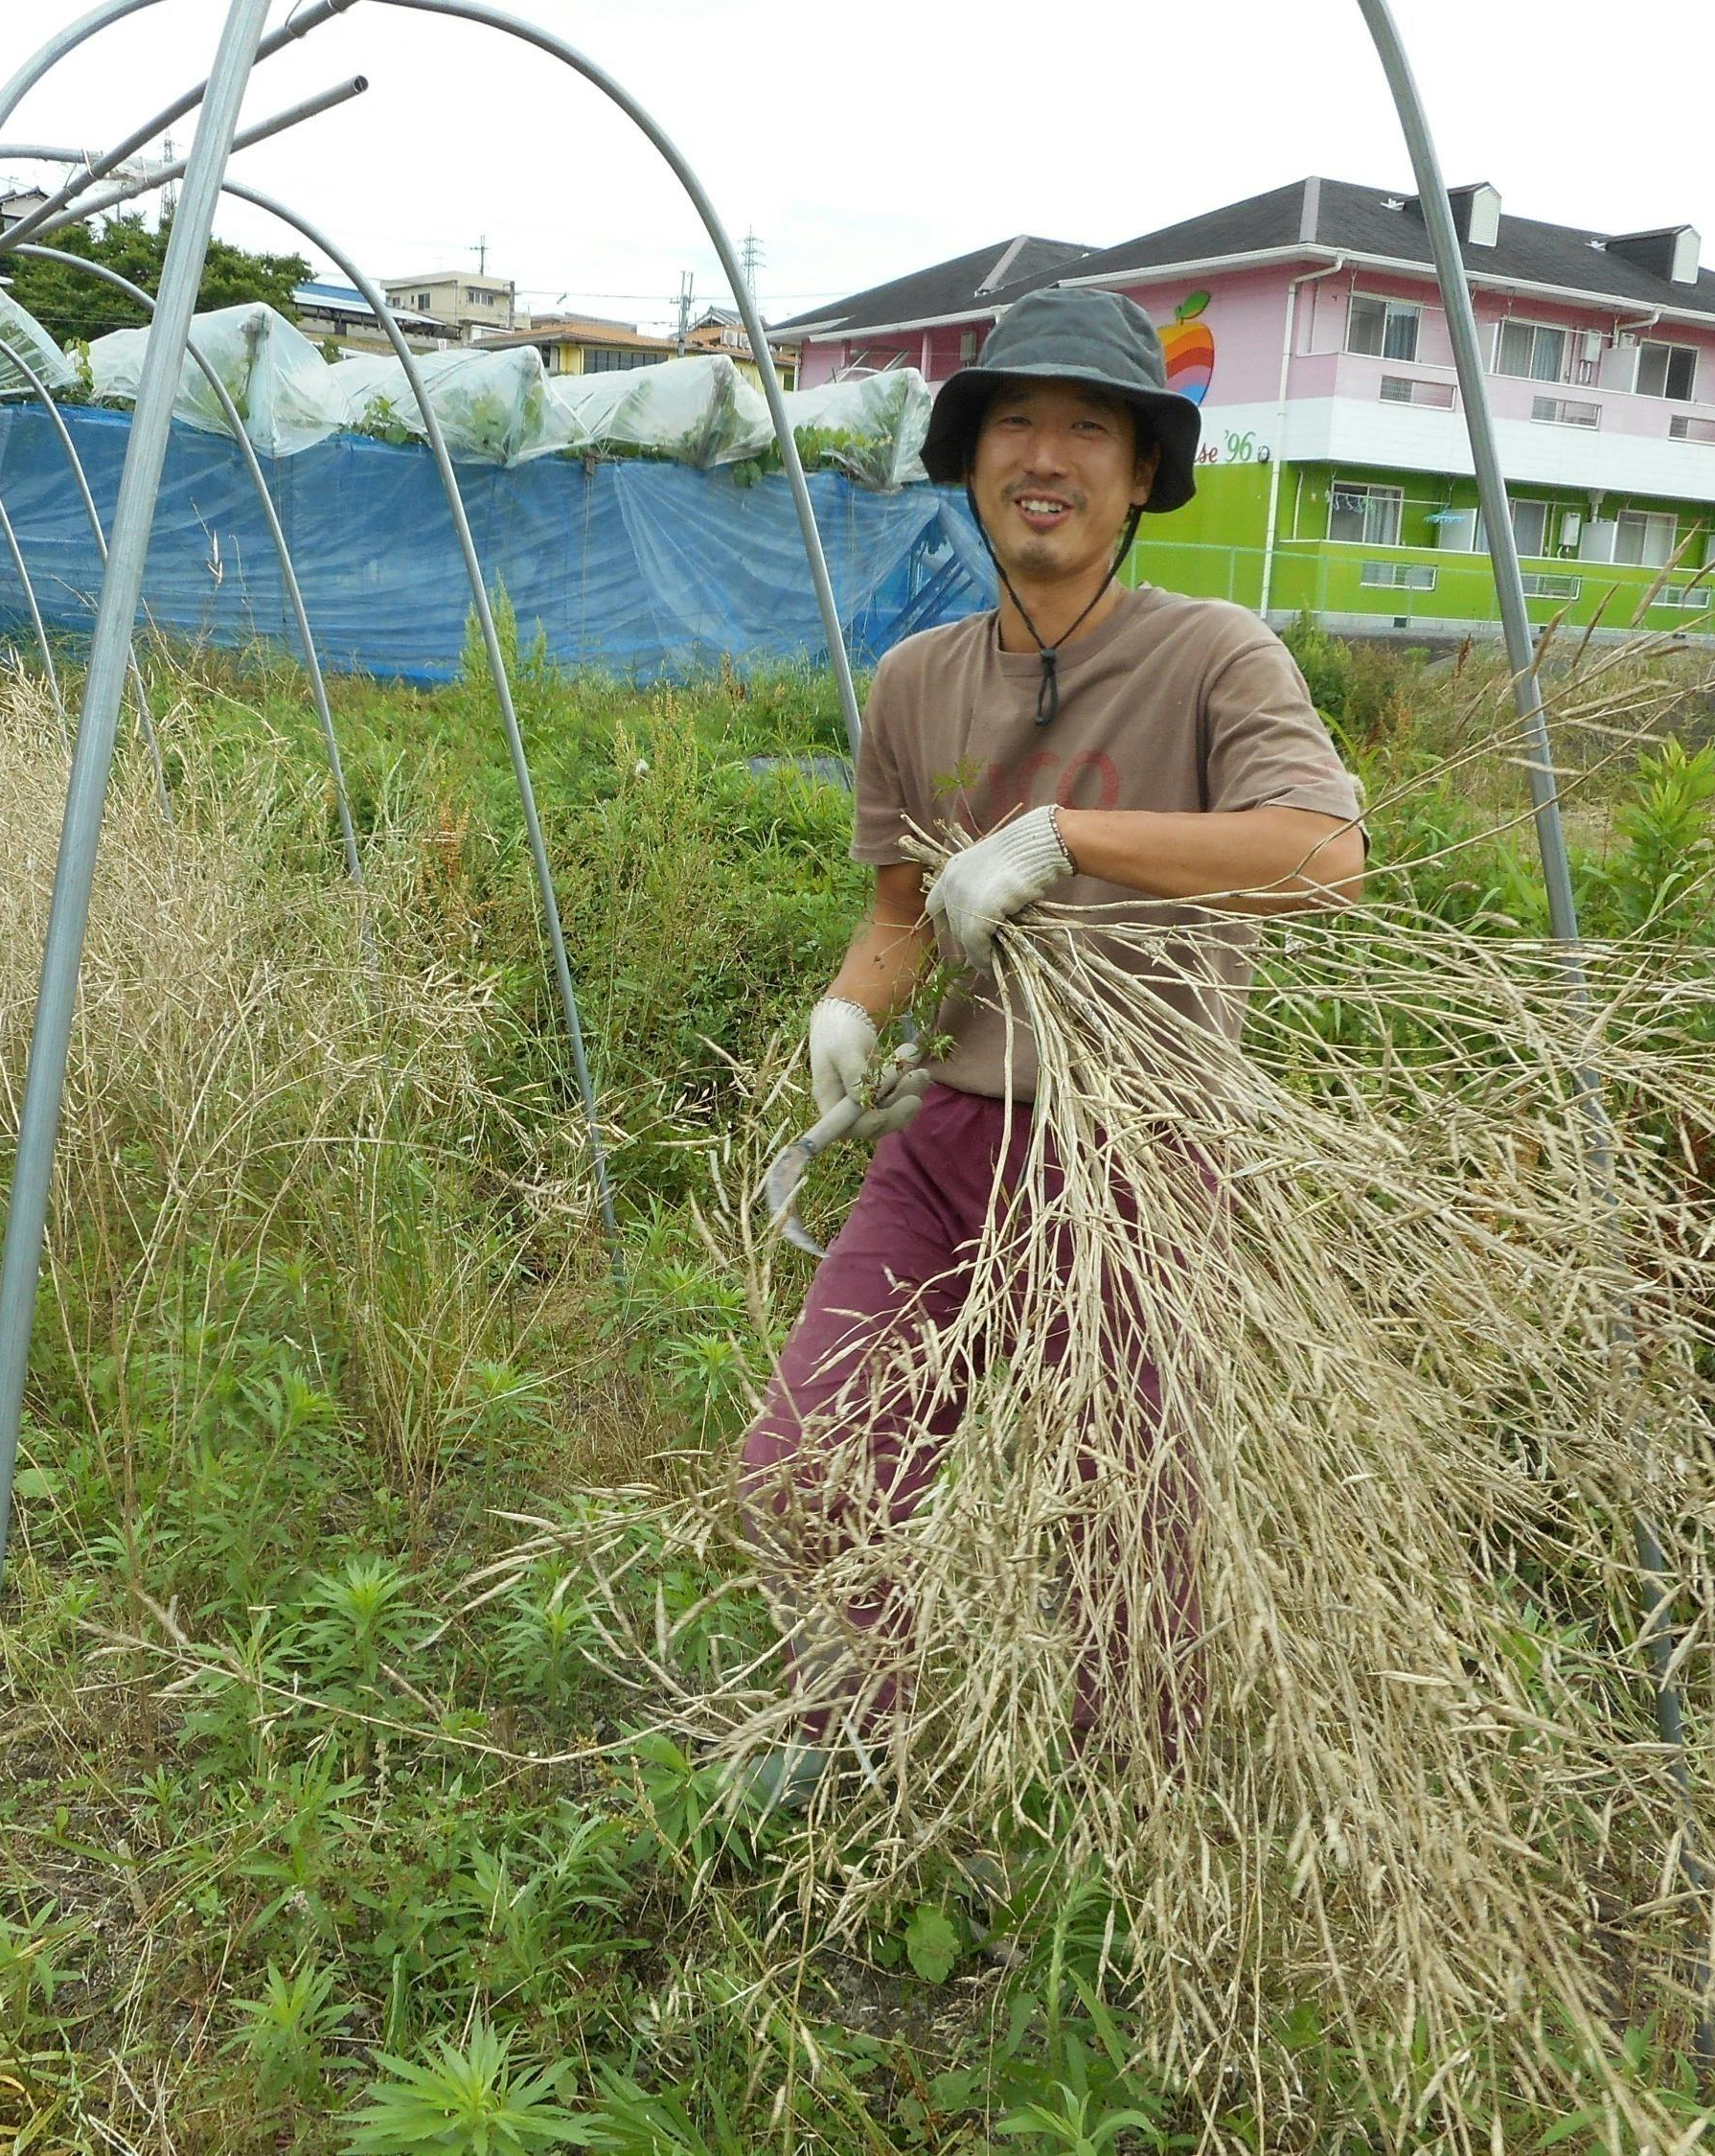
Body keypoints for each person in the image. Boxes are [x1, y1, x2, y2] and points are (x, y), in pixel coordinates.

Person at [738, 287, 1366, 1756]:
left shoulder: (1215, 656)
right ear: (969, 460)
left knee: (1128, 1525)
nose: (1046, 456)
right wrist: (850, 1005)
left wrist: (1069, 836)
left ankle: (1128, 1803)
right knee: (811, 1459)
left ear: (1142, 475)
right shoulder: (918, 681)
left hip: (1137, 1148)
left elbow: (1323, 855)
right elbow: (901, 912)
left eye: (1090, 428)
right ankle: (865, 1745)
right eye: (1014, 420)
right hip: (949, 1145)